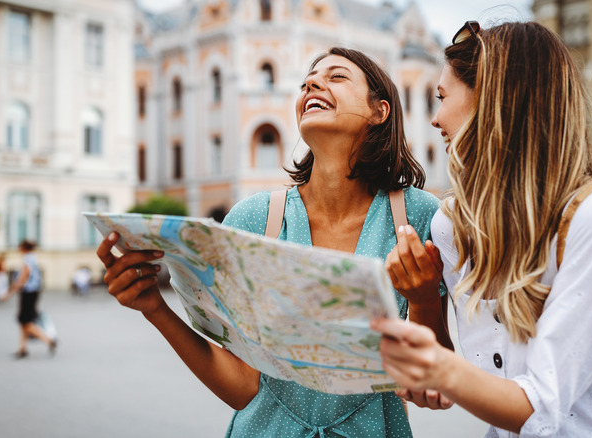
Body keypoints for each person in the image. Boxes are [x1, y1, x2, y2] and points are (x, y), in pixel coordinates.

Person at [96, 47, 451, 437]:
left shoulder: (419, 217)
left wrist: (423, 299)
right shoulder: (253, 219)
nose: (312, 83)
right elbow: (243, 387)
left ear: (379, 111)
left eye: (336, 76)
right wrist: (155, 309)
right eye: (307, 81)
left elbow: (436, 373)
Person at [371, 21, 592, 436]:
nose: (436, 118)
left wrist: (436, 366)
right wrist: (422, 301)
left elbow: (540, 406)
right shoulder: (452, 226)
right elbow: (444, 391)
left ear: (496, 100)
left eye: (442, 97)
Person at [3, 240, 57, 359]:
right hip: (33, 292)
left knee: (25, 321)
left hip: (28, 293)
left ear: (23, 248)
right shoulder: (34, 258)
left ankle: (49, 341)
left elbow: (22, 279)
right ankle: (22, 348)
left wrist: (9, 292)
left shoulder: (27, 260)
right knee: (24, 321)